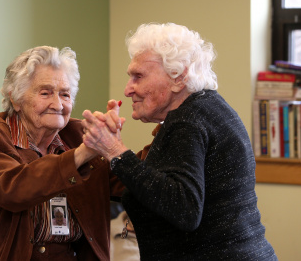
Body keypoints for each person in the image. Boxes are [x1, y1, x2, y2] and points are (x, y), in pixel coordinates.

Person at [82, 23, 277, 260]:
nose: (127, 89)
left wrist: (115, 150)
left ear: (179, 77)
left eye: (138, 76)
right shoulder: (206, 108)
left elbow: (183, 209)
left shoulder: (187, 121)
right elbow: (165, 186)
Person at [0, 46, 122, 261]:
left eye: (65, 94)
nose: (57, 104)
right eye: (45, 93)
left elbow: (126, 183)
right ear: (16, 99)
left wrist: (162, 123)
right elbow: (11, 188)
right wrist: (83, 154)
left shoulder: (77, 135)